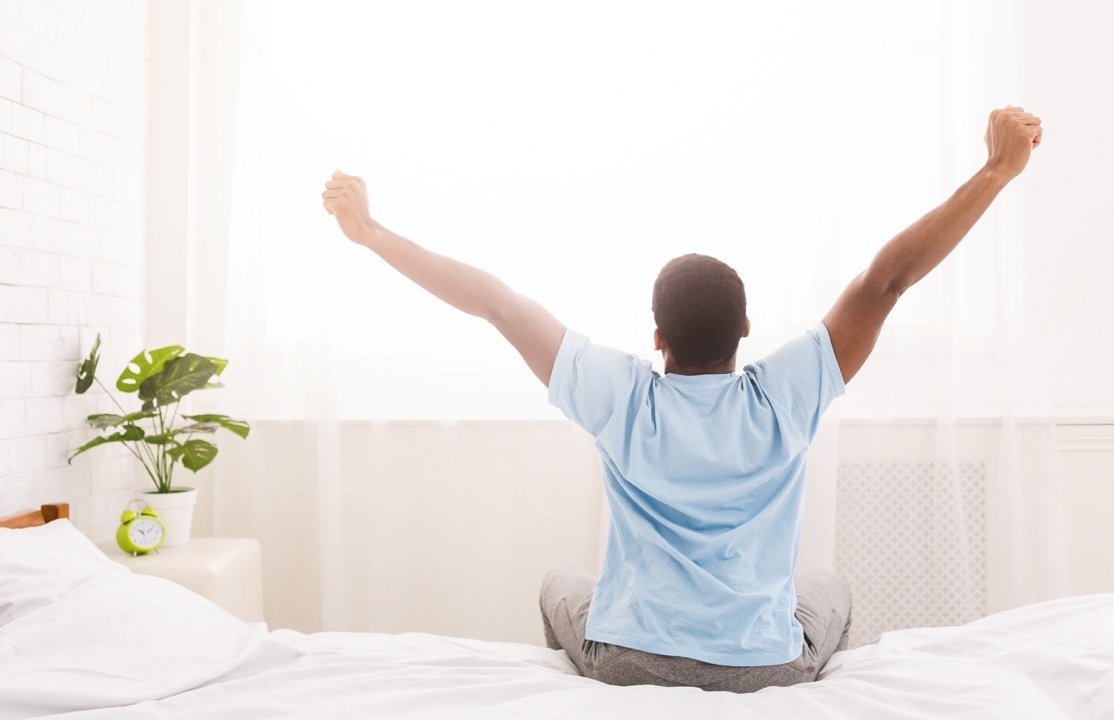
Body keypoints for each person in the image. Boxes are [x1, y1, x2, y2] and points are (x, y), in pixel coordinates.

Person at [321, 106, 1043, 692]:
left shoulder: (622, 397)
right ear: (748, 332)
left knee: (559, 586)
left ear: (658, 338)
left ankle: (594, 688)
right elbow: (887, 281)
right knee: (829, 589)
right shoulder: (785, 395)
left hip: (630, 659)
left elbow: (499, 307)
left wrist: (371, 233)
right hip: (765, 666)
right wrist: (997, 170)